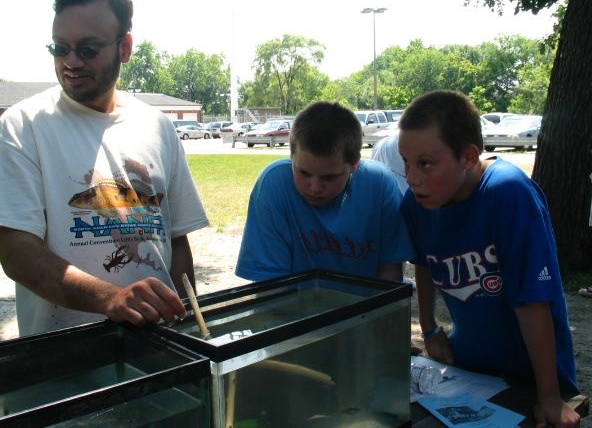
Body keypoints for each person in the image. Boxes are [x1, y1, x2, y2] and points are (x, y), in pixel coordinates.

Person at [0, 0, 209, 337]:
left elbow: (176, 237)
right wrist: (110, 298)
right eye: (60, 48)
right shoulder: (23, 126)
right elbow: (17, 251)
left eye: (88, 50)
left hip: (158, 348)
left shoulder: (157, 126)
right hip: (67, 357)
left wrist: (186, 322)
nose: (71, 62)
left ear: (124, 47)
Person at [398, 90, 580, 427]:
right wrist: (430, 328)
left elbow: (533, 300)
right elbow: (423, 262)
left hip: (531, 372)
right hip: (470, 367)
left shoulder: (507, 193)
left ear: (468, 156)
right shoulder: (417, 203)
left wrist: (550, 396)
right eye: (405, 162)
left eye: (425, 163)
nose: (411, 177)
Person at [235, 100, 415, 283]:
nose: (315, 187)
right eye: (304, 173)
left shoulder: (380, 185)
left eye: (329, 177)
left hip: (366, 308)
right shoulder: (274, 184)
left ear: (354, 163)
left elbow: (390, 272)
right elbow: (270, 283)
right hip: (293, 308)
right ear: (292, 156)